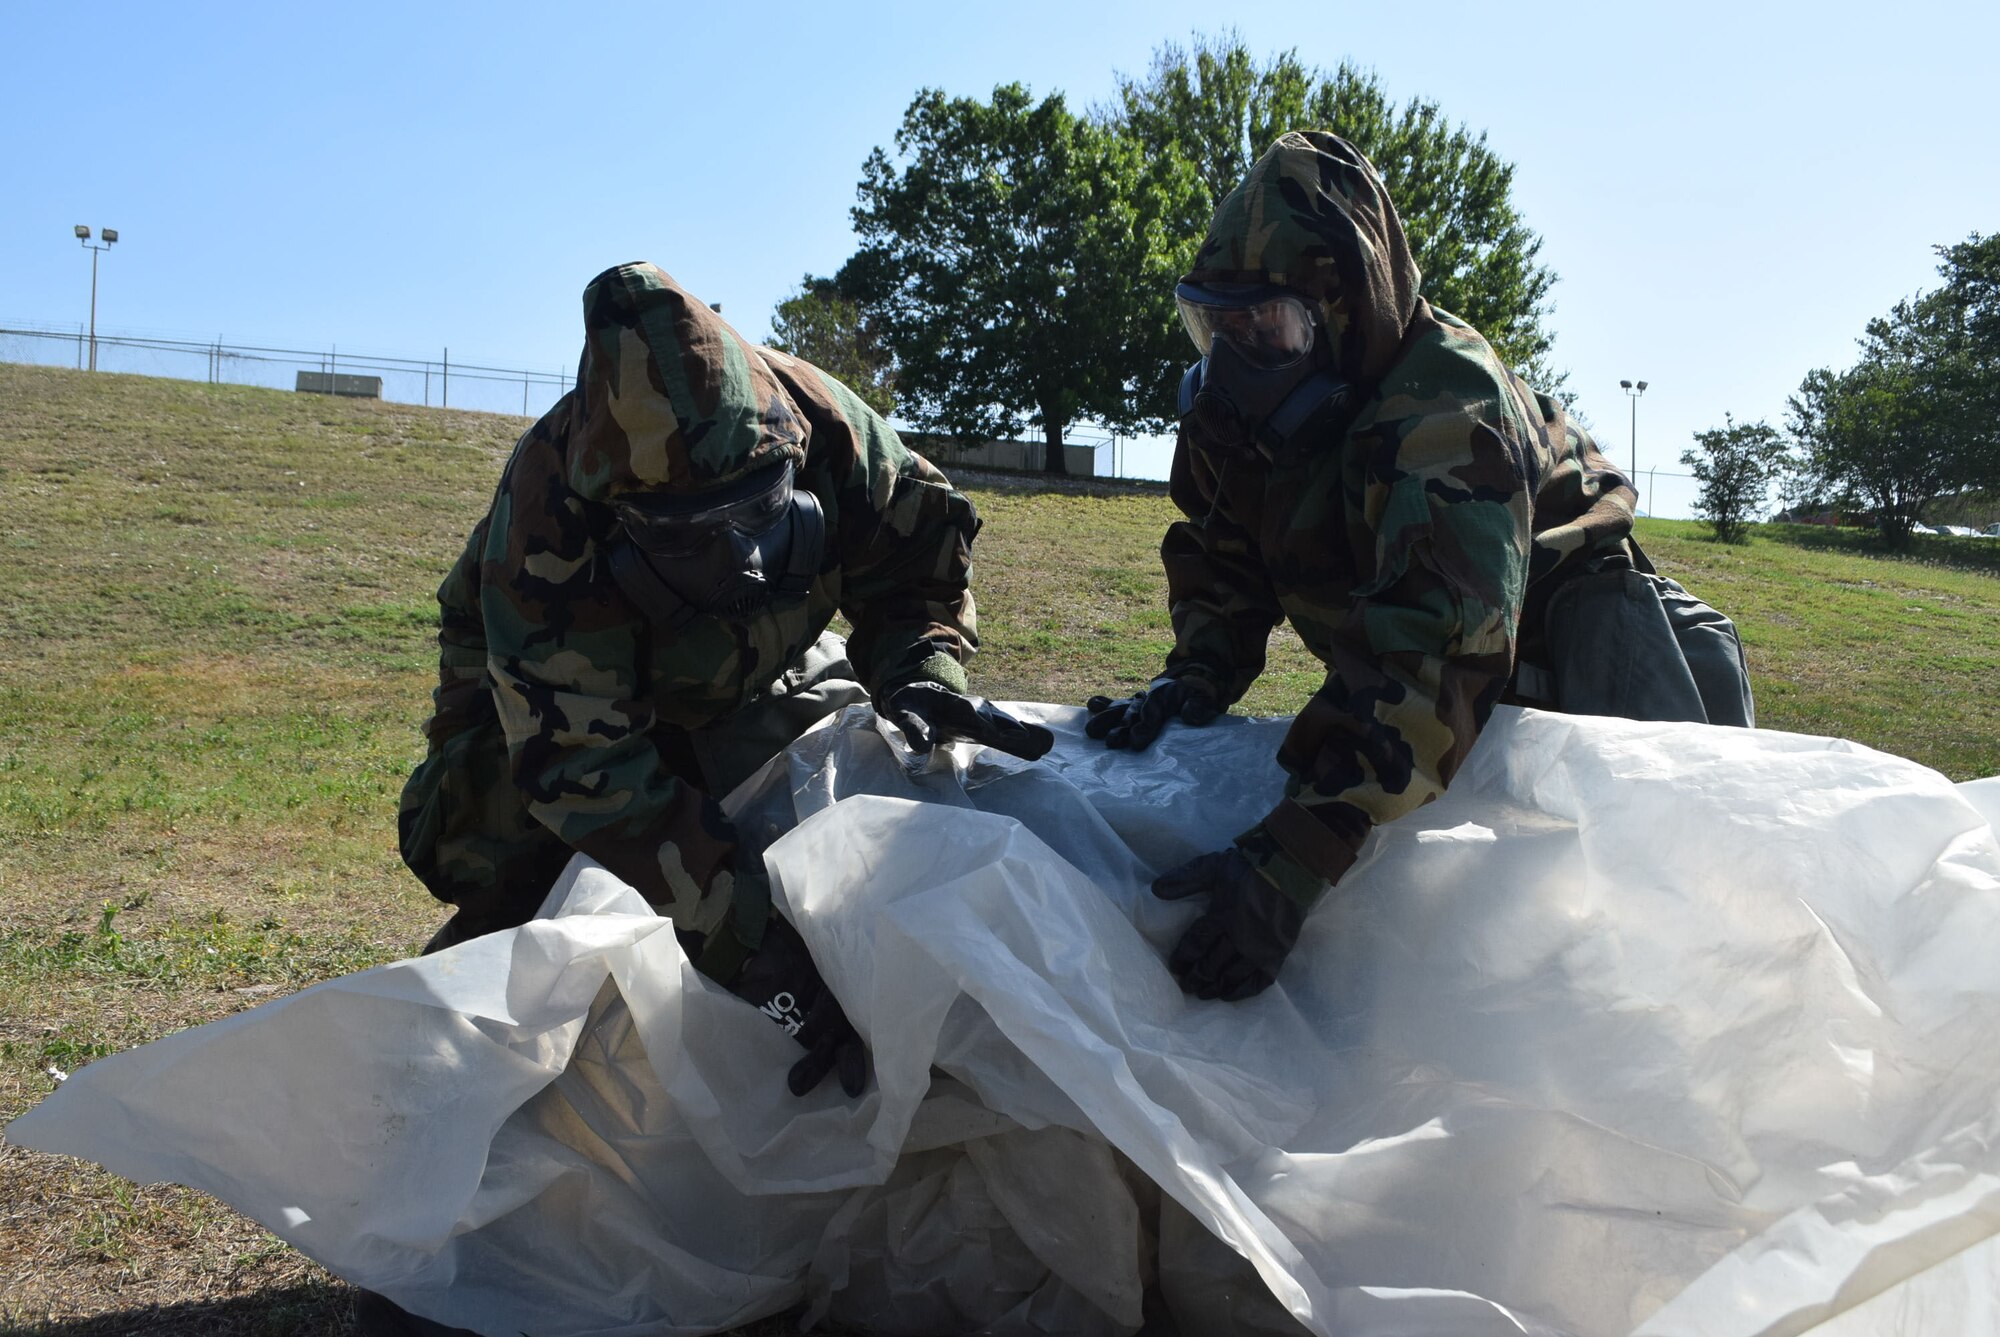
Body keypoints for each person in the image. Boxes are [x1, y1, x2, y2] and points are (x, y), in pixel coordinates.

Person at [1086, 130, 1751, 1005]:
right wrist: (1198, 672)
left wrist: (1289, 866)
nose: (1238, 360)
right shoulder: (1250, 409)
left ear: (1348, 313)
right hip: (1465, 678)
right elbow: (1225, 547)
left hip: (1588, 651)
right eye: (1220, 326)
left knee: (1659, 947)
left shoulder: (1447, 410)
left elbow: (1427, 656)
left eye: (1270, 327)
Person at [397, 260, 1052, 1103]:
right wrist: (755, 950)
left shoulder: (824, 424)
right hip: (550, 714)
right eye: (691, 536)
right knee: (497, 859)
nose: (740, 556)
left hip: (748, 675)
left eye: (757, 514)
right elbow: (585, 773)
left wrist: (919, 667)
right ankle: (457, 1090)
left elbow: (917, 560)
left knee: (822, 788)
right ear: (624, 516)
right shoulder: (548, 526)